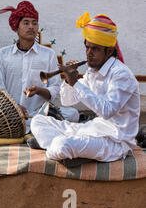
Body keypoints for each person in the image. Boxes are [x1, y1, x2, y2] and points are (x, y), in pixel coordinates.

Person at [30, 12, 140, 165]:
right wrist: (69, 81)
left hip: (115, 141)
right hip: (94, 129)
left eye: (95, 49)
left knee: (62, 144)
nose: (89, 53)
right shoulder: (92, 72)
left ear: (109, 51)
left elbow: (107, 111)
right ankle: (62, 149)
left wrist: (76, 83)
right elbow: (67, 101)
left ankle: (54, 146)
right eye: (87, 47)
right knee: (38, 121)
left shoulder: (121, 74)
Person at [0, 1, 79, 133]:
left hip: (40, 113)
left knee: (73, 114)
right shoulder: (3, 54)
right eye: (26, 23)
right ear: (16, 28)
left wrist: (39, 90)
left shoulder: (48, 54)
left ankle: (33, 126)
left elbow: (55, 88)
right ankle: (38, 128)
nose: (31, 27)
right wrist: (14, 107)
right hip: (11, 113)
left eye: (34, 23)